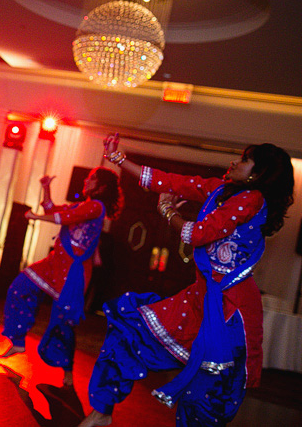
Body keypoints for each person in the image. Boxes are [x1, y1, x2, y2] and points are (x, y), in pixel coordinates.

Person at [78, 134, 295, 427]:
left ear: (258, 173)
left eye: (244, 159)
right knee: (130, 332)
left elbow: (200, 234)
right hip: (199, 299)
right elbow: (171, 181)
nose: (234, 161)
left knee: (203, 397)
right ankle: (101, 413)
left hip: (229, 311)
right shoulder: (221, 189)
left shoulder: (253, 199)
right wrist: (118, 159)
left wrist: (167, 212)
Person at [0, 167, 123, 388]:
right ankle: (18, 341)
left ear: (102, 186)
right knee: (19, 287)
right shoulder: (82, 204)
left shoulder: (96, 207)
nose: (87, 180)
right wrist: (46, 188)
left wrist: (37, 217)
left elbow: (65, 217)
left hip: (72, 274)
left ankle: (67, 371)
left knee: (63, 324)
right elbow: (53, 208)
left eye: (92, 178)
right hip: (54, 264)